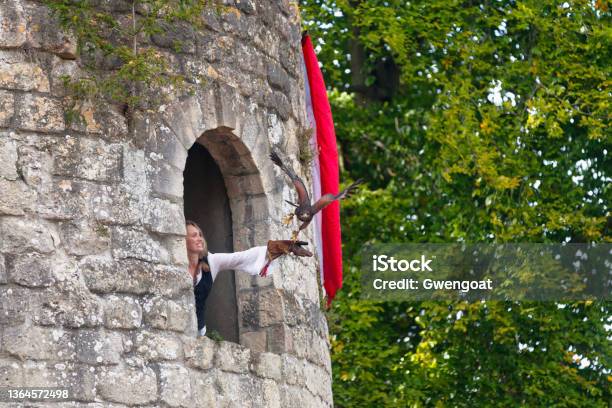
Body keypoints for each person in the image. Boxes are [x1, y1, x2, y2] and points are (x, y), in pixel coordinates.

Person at [185, 220, 312, 336]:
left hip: (197, 332)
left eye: (200, 235)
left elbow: (243, 257)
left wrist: (286, 246)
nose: (199, 239)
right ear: (183, 239)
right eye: (194, 235)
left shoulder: (212, 261)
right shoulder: (175, 263)